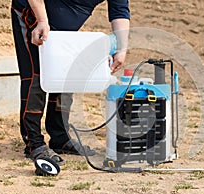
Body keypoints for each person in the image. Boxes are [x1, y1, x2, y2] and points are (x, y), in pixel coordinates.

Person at [11, 0, 130, 165]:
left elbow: (119, 11)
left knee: (66, 75)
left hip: (63, 27)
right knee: (36, 76)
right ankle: (34, 142)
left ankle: (60, 137)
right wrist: (43, 21)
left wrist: (122, 49)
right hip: (33, 12)